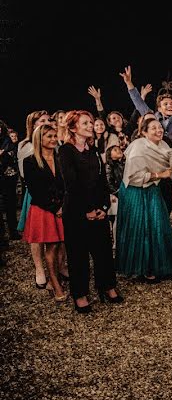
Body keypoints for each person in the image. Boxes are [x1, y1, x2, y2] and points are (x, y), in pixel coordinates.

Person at [120, 58, 172, 259]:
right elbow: (139, 103)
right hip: (160, 166)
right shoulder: (152, 119)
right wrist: (130, 85)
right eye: (166, 103)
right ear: (159, 107)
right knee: (163, 206)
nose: (170, 105)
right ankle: (164, 247)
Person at [58, 110, 122, 313]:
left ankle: (107, 286)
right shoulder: (66, 151)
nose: (90, 125)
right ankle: (80, 293)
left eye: (91, 122)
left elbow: (102, 182)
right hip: (77, 212)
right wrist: (86, 210)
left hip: (98, 210)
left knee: (103, 251)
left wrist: (103, 207)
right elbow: (71, 183)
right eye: (85, 123)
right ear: (73, 127)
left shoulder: (93, 151)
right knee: (78, 254)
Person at [117, 117, 172, 281]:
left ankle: (158, 264)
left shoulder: (164, 145)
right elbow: (133, 176)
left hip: (152, 189)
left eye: (159, 127)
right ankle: (142, 267)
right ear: (143, 132)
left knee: (157, 224)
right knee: (140, 227)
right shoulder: (137, 147)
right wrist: (159, 174)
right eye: (153, 128)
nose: (159, 130)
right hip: (135, 192)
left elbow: (171, 163)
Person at [21, 124, 67, 302]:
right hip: (44, 209)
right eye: (49, 136)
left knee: (62, 245)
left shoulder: (60, 157)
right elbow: (35, 190)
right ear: (39, 139)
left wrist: (64, 204)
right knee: (52, 246)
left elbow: (66, 184)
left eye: (55, 135)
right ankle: (55, 284)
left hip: (62, 206)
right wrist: (56, 208)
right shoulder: (30, 161)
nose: (54, 139)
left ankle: (56, 276)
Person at [17, 110, 55, 286]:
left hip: (56, 194)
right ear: (33, 125)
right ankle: (40, 269)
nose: (47, 122)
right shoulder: (26, 145)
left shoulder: (55, 142)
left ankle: (55, 268)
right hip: (35, 194)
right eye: (42, 120)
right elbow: (27, 176)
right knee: (38, 234)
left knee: (55, 234)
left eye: (49, 120)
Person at [0, 121, 19, 246]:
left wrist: (3, 154)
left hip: (8, 177)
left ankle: (13, 231)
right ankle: (2, 236)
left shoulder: (7, 140)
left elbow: (9, 156)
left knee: (10, 205)